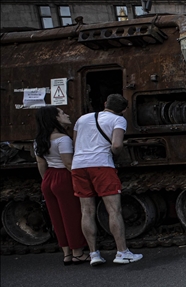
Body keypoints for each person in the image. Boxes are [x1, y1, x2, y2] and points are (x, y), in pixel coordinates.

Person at [71, 93, 142, 265]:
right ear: (123, 110)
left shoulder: (82, 119)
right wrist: (114, 154)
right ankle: (122, 252)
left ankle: (94, 254)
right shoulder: (118, 120)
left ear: (105, 103)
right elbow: (116, 145)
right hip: (101, 165)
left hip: (78, 165)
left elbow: (75, 142)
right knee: (113, 210)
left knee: (86, 211)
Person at [34, 106, 88, 266]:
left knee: (57, 217)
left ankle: (66, 253)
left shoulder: (39, 140)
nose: (67, 114)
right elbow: (68, 163)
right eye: (63, 113)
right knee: (71, 215)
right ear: (55, 118)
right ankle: (78, 253)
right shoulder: (63, 139)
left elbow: (41, 163)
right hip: (63, 177)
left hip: (49, 177)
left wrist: (46, 181)